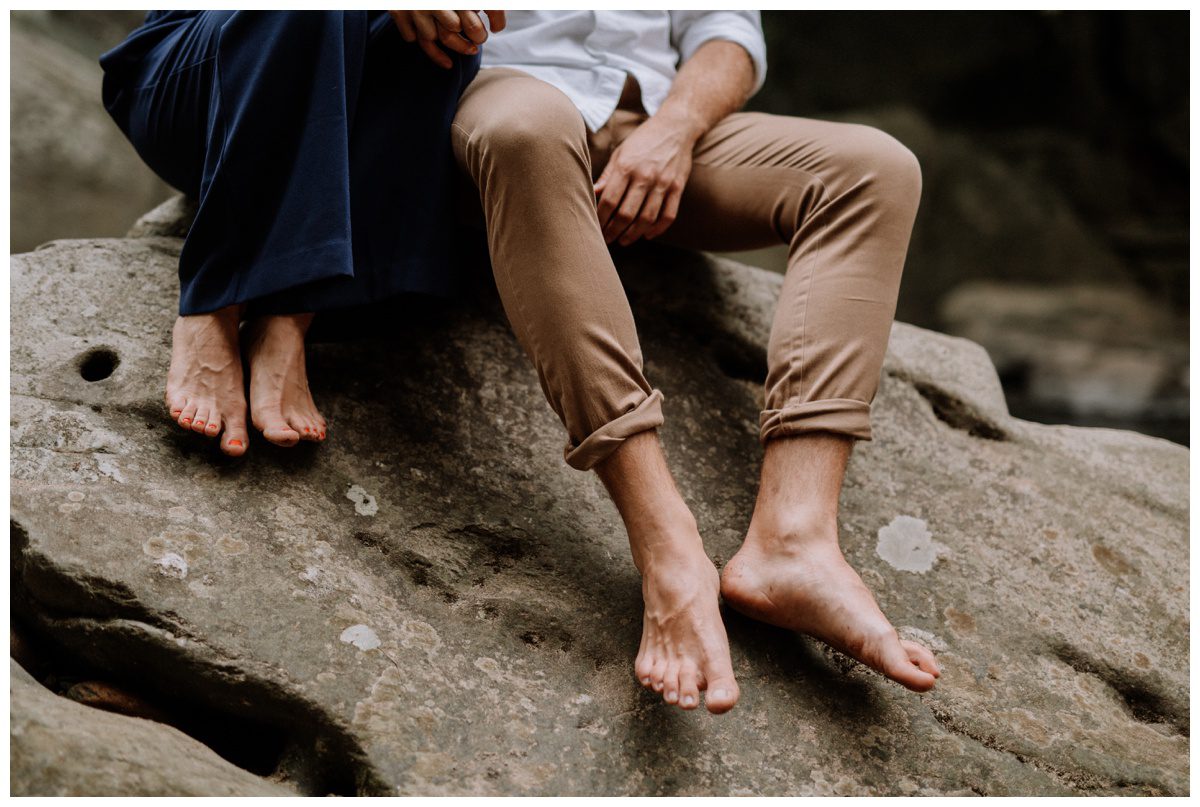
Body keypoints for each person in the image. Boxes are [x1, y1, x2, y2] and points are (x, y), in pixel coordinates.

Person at [438, 10, 941, 714]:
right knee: (527, 128)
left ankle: (793, 540)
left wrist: (673, 129)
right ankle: (667, 546)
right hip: (492, 102)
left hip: (648, 120)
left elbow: (728, 35)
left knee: (874, 168)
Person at [98, 11, 497, 455]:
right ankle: (215, 305)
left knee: (447, 31)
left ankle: (287, 315)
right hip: (206, 71)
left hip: (341, 96)